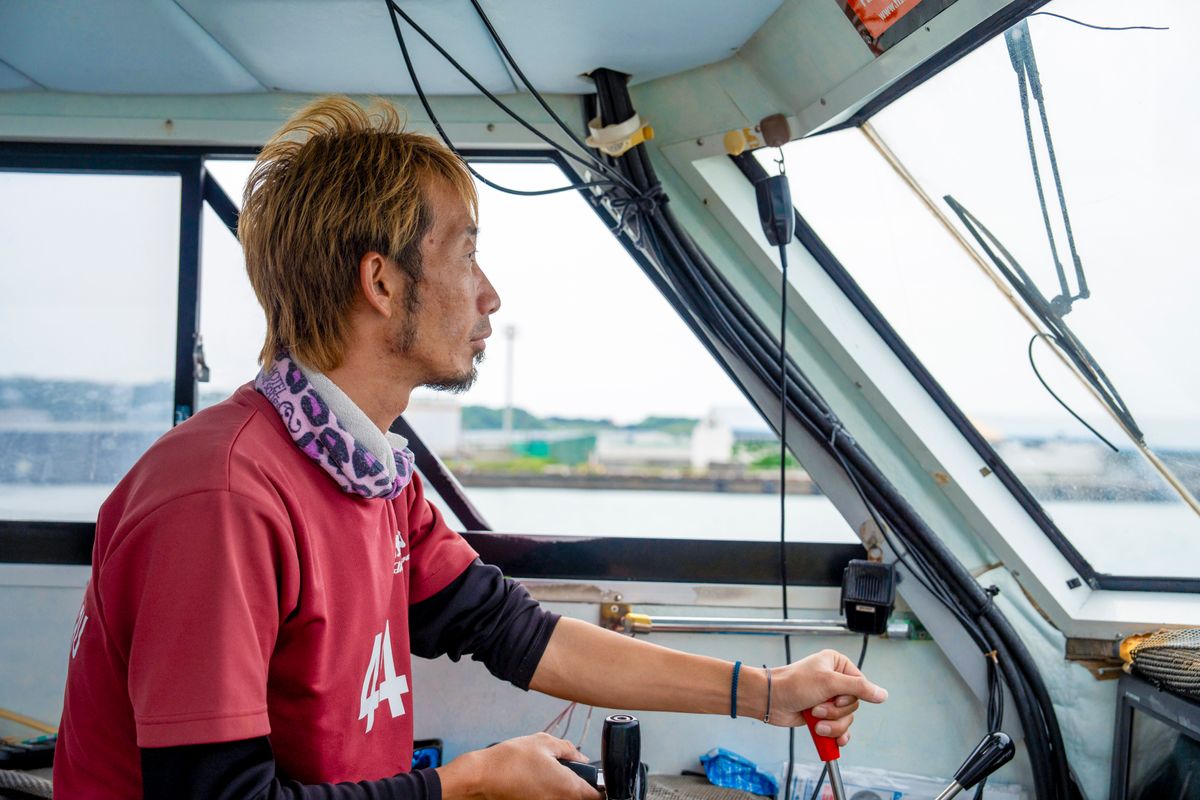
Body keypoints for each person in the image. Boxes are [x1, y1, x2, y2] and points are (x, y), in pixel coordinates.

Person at [53, 96, 887, 799]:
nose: (491, 296)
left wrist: (765, 694)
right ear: (380, 283)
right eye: (468, 252)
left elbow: (514, 631)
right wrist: (469, 784)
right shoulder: (224, 495)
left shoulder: (369, 472)